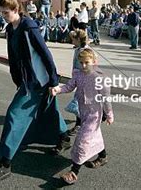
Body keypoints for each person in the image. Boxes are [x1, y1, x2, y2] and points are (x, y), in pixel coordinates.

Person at [0, 0, 70, 184]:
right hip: (27, 80)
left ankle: (5, 162)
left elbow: (45, 52)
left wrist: (54, 79)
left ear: (16, 10)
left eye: (6, 12)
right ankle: (63, 136)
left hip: (37, 81)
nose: (3, 16)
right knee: (48, 110)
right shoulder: (10, 29)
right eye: (1, 12)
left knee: (15, 114)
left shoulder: (28, 27)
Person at [50, 48, 114, 185]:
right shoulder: (78, 74)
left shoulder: (99, 78)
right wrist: (58, 89)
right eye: (81, 63)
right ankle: (103, 156)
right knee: (93, 136)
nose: (84, 65)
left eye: (87, 62)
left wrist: (109, 114)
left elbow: (106, 99)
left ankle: (74, 172)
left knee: (83, 140)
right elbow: (69, 86)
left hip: (95, 115)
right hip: (83, 113)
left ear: (94, 62)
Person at [65, 29, 90, 136]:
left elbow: (83, 67)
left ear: (79, 40)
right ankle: (81, 123)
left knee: (80, 104)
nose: (72, 41)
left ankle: (80, 125)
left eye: (73, 39)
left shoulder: (83, 52)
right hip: (79, 80)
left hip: (84, 81)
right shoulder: (79, 49)